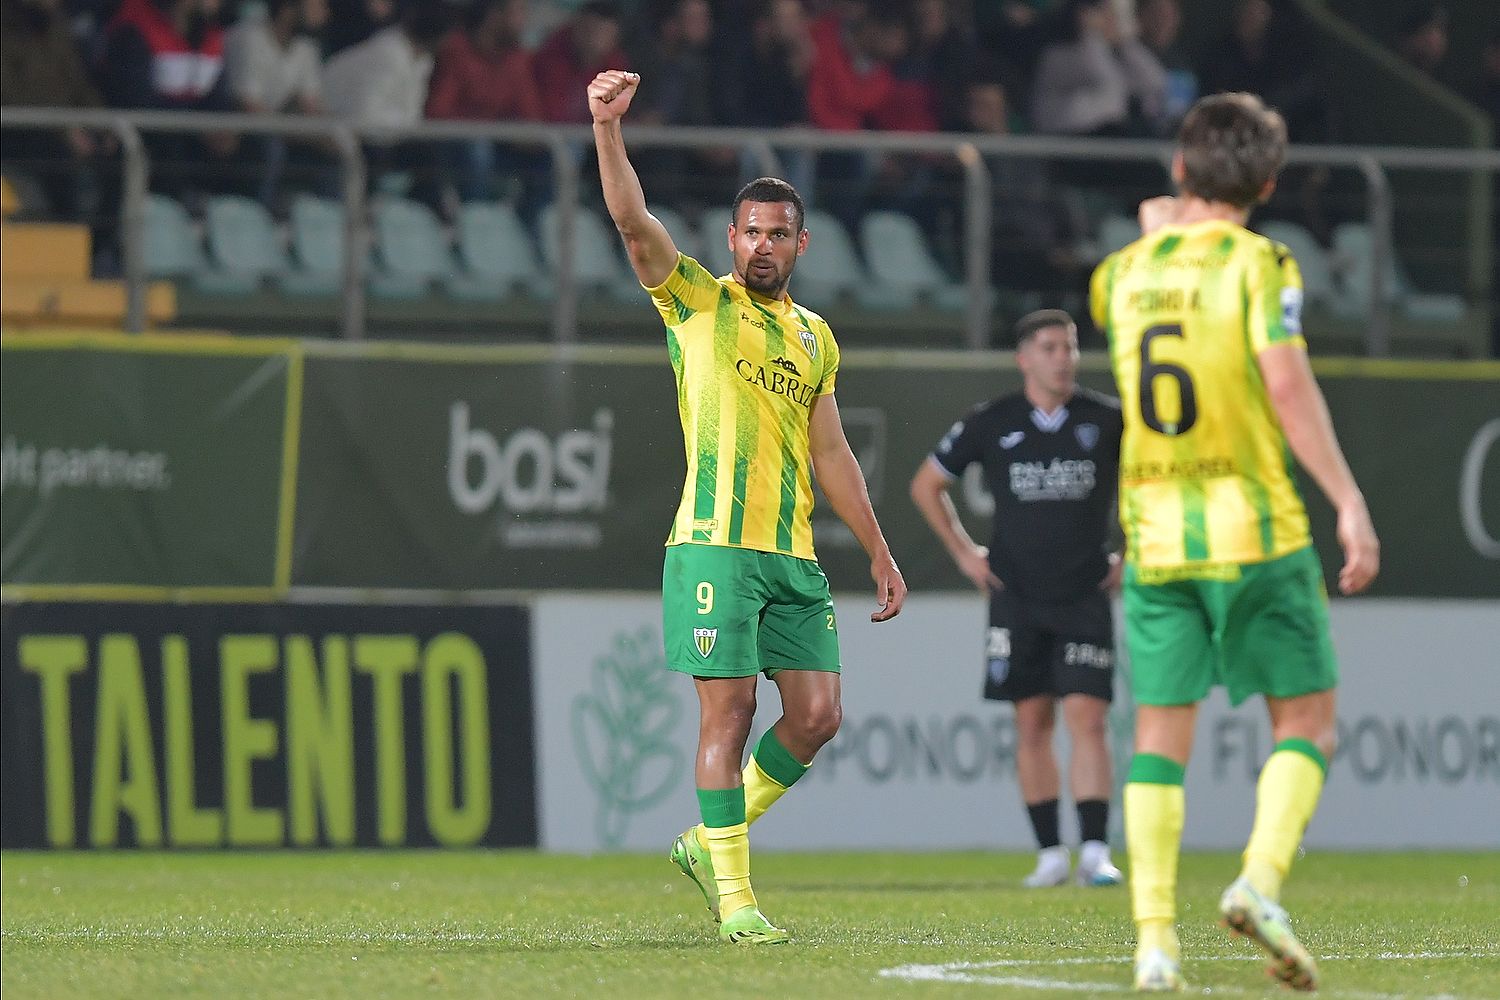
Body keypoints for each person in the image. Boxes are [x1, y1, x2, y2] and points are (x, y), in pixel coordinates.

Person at [588, 68, 908, 945]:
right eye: (751, 232)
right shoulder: (694, 301)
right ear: (730, 238)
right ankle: (737, 903)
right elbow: (629, 219)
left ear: (801, 246)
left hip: (791, 556)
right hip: (714, 549)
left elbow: (832, 450)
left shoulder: (815, 337)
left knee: (817, 718)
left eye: (778, 236)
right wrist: (608, 130)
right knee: (727, 718)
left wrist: (877, 549)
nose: (762, 246)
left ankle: (705, 842)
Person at [1089, 92, 1380, 992]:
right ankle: (1257, 882)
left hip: (1157, 536)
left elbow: (1157, 261)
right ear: (1269, 181)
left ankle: (1153, 946)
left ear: (1179, 168)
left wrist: (1162, 225)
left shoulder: (1119, 275)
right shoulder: (1264, 264)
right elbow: (1286, 386)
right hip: (1255, 528)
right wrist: (1348, 497)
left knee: (1156, 741)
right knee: (1308, 723)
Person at [909, 309, 1124, 890]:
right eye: (1050, 347)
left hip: (1083, 592)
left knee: (1088, 718)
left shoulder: (1108, 421)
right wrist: (963, 553)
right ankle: (1051, 853)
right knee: (1031, 722)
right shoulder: (992, 421)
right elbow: (927, 484)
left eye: (1070, 347)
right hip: (1017, 596)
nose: (1063, 358)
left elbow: (1154, 485)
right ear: (1024, 357)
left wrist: (1133, 554)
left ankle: (1097, 850)